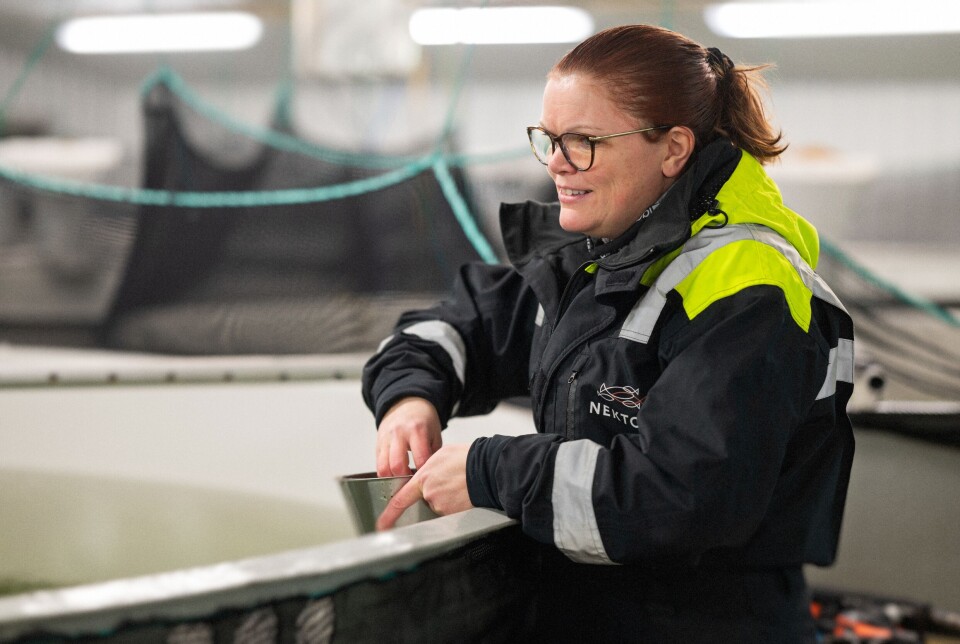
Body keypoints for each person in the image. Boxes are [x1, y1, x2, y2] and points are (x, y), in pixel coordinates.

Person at [362, 24, 855, 643]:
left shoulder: (749, 291)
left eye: (585, 141)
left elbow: (679, 499)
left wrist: (492, 470)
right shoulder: (593, 258)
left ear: (673, 149)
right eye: (549, 138)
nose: (558, 163)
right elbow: (456, 325)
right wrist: (411, 397)